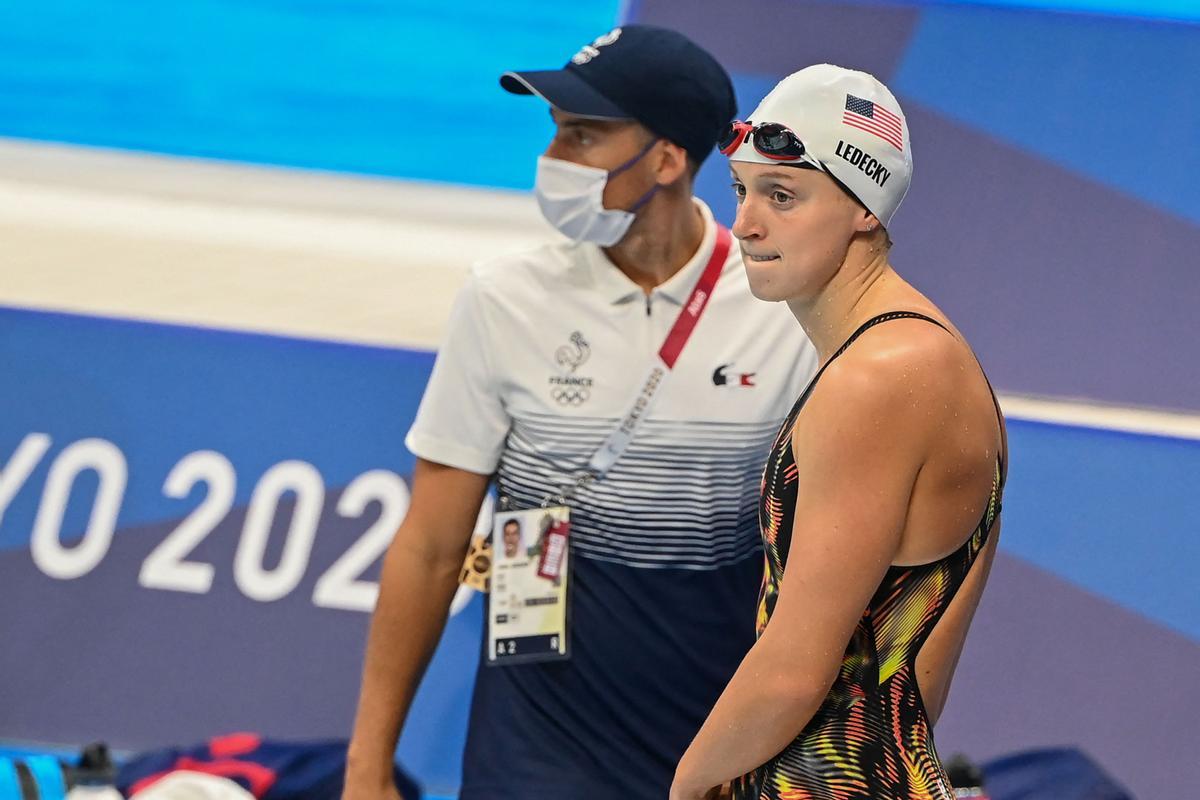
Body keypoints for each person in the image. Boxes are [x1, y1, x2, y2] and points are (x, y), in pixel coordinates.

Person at [342, 25, 818, 800]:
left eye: (585, 136)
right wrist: (366, 770)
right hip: (532, 744)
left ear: (667, 160)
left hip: (714, 743)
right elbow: (431, 547)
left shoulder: (783, 310)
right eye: (556, 134)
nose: (554, 160)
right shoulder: (502, 299)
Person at [671, 65, 1008, 800]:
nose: (746, 224)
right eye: (742, 191)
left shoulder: (881, 378)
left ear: (864, 206)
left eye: (783, 197)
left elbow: (795, 667)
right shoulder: (916, 355)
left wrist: (689, 783)